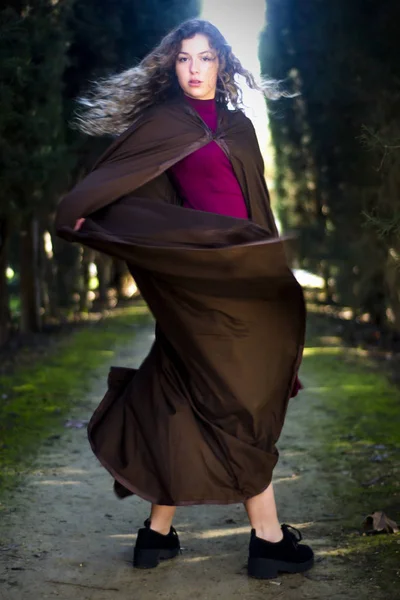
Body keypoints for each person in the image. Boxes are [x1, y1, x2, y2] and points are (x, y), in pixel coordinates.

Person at [55, 18, 313, 580]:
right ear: (171, 66)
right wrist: (86, 213)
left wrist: (271, 274)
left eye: (205, 58)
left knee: (180, 388)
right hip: (196, 283)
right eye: (183, 60)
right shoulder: (161, 124)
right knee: (237, 401)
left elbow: (256, 210)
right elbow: (117, 182)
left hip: (244, 279)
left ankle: (155, 534)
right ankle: (268, 540)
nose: (194, 70)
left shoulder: (241, 126)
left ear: (222, 63)